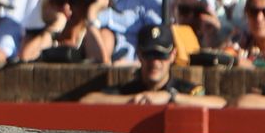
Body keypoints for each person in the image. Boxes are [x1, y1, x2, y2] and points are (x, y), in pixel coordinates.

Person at [82, 23, 225, 105]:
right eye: (149, 55)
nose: (155, 62)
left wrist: (171, 97)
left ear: (172, 56)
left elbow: (220, 104)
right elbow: (87, 101)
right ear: (139, 55)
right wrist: (134, 100)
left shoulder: (184, 90)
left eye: (161, 55)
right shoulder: (129, 90)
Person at [19, 0, 115, 63]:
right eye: (59, 1)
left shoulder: (103, 35)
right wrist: (55, 26)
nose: (66, 7)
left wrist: (92, 14)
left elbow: (101, 65)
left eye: (74, 1)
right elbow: (25, 60)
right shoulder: (34, 37)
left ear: (86, 5)